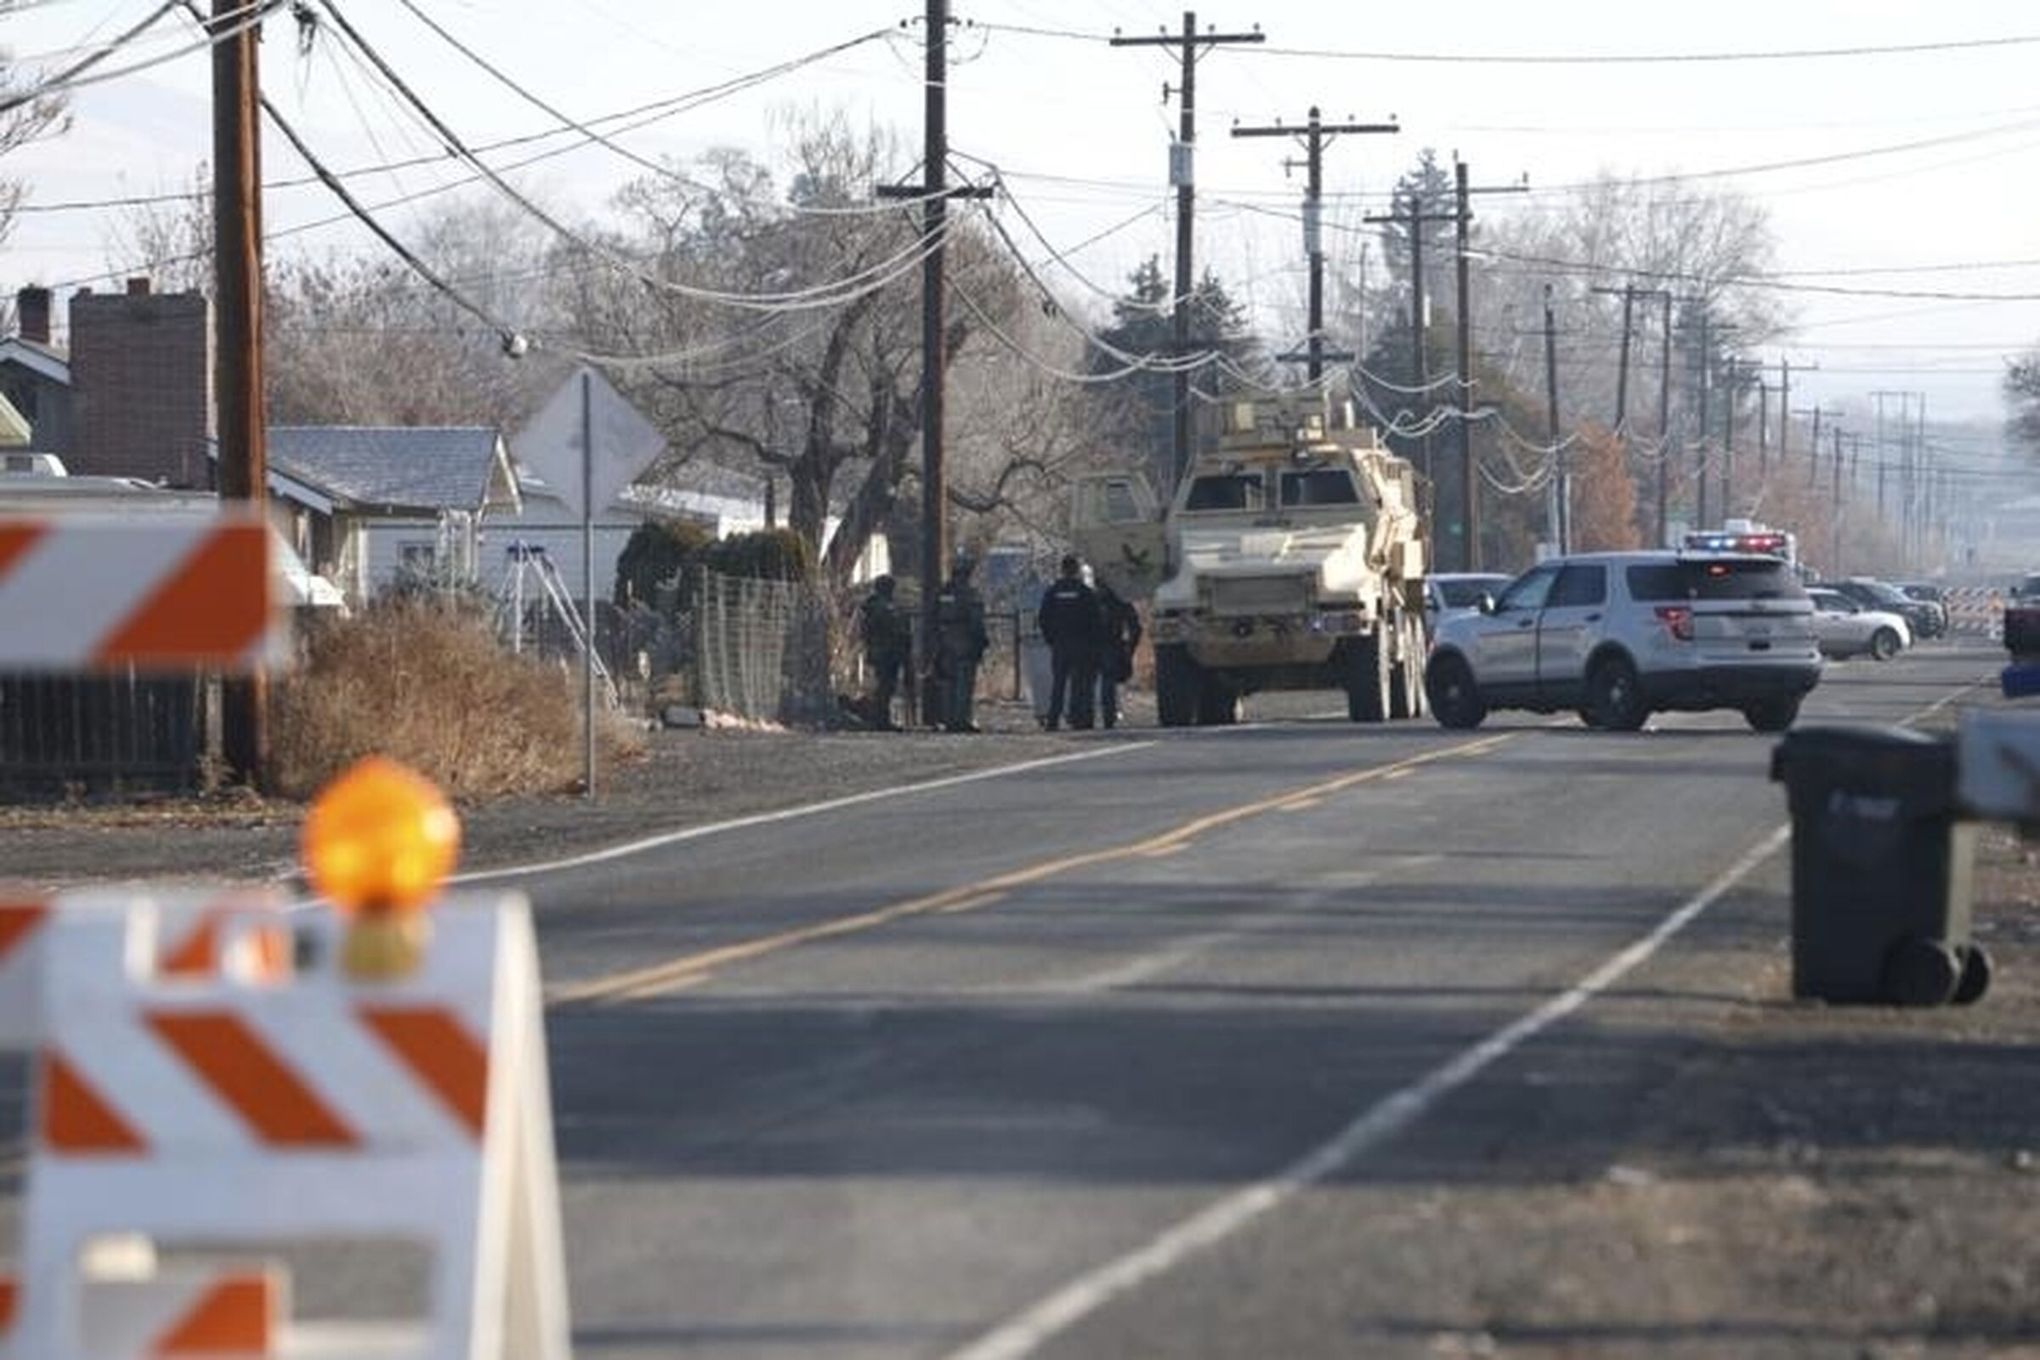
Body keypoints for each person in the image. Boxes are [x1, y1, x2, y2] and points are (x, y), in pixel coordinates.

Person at [1037, 553, 1103, 730]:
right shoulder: (1085, 592)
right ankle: (1079, 719)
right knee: (1080, 684)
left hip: (1060, 644)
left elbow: (1043, 618)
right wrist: (1093, 643)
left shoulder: (1053, 591)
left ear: (1062, 569)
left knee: (1058, 684)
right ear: (1076, 570)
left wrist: (1051, 639)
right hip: (1082, 644)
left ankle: (1053, 721)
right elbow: (1096, 620)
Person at [934, 556, 989, 733]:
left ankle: (948, 719)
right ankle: (961, 720)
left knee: (947, 684)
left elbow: (932, 616)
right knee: (963, 684)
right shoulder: (969, 593)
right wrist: (981, 641)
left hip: (944, 642)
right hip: (965, 642)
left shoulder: (942, 592)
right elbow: (976, 621)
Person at [856, 574, 907, 730]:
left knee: (886, 686)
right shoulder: (881, 607)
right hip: (885, 651)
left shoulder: (876, 606)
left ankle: (881, 718)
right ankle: (881, 720)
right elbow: (890, 629)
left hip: (884, 651)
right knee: (884, 687)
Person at [1094, 578, 1142, 729]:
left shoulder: (1090, 598)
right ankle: (1108, 716)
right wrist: (1130, 647)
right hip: (1111, 643)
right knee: (1108, 680)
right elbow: (1135, 626)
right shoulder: (1119, 599)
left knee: (1085, 682)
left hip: (1093, 645)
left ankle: (1084, 717)